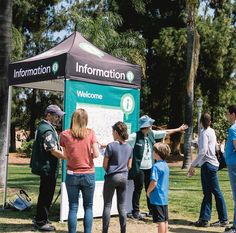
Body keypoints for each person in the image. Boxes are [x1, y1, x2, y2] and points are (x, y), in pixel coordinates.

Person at [127, 115, 188, 220]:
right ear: (146, 126)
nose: (151, 126)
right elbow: (123, 140)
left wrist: (178, 129)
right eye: (149, 124)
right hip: (139, 168)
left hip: (150, 167)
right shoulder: (135, 136)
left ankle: (151, 210)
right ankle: (135, 212)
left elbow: (166, 132)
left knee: (149, 187)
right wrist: (105, 145)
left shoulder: (152, 134)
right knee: (138, 189)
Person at [59, 108, 100, 233]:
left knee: (73, 207)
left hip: (72, 174)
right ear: (85, 120)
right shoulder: (91, 133)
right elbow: (97, 154)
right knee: (88, 206)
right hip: (88, 174)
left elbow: (65, 155)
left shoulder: (64, 135)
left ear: (73, 119)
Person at [188, 113, 228, 227]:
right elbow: (214, 147)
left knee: (214, 192)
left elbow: (203, 151)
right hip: (211, 164)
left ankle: (222, 219)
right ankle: (205, 219)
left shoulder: (205, 133)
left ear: (201, 122)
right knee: (210, 192)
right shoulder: (211, 131)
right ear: (210, 122)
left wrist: (192, 165)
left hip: (208, 165)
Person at [30, 104, 66, 231]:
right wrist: (68, 156)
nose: (58, 119)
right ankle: (41, 222)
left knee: (44, 194)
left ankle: (42, 218)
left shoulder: (43, 127)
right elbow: (52, 150)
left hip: (47, 167)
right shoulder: (47, 130)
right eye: (56, 116)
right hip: (48, 168)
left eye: (59, 116)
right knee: (46, 195)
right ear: (49, 115)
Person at [102, 121, 133, 233]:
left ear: (116, 132)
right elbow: (129, 166)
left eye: (112, 131)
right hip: (124, 177)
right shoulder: (129, 147)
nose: (112, 133)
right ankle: (123, 231)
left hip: (112, 176)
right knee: (122, 207)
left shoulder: (111, 146)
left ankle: (104, 231)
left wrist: (111, 171)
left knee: (107, 206)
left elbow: (104, 165)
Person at [146, 142, 171, 233]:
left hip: (157, 197)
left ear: (157, 153)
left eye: (153, 151)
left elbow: (154, 182)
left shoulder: (156, 166)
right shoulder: (165, 165)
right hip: (164, 198)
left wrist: (148, 191)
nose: (152, 153)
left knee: (160, 221)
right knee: (165, 220)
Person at [224, 105, 236, 233]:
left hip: (234, 165)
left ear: (233, 114)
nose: (227, 115)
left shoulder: (233, 128)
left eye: (228, 113)